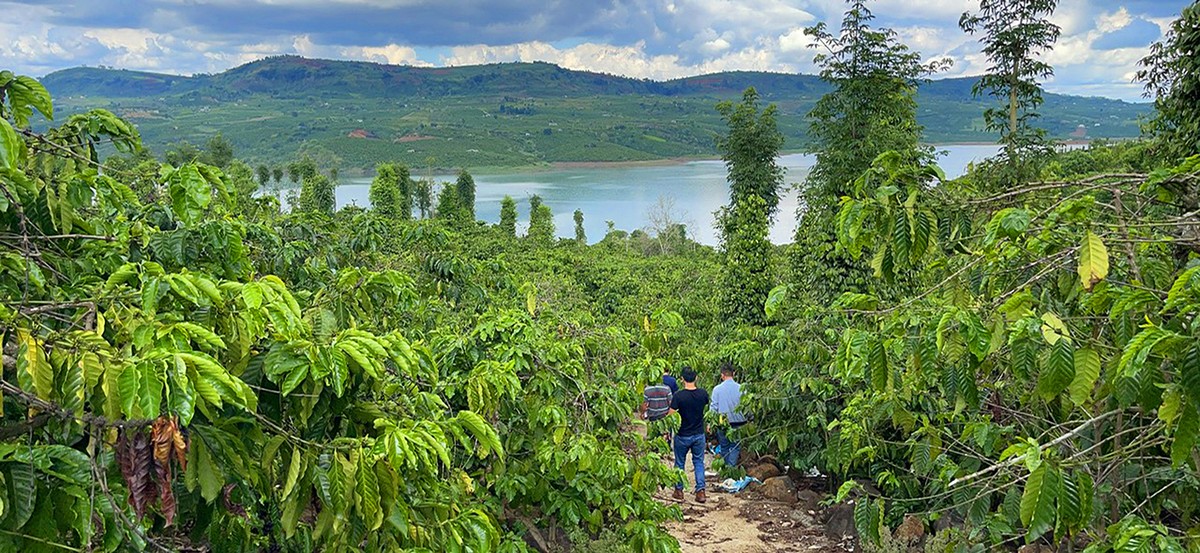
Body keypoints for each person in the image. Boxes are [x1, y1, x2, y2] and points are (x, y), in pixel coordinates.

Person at [668, 367, 709, 503]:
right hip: (698, 433)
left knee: (679, 462)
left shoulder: (678, 396)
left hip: (682, 434)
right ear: (696, 378)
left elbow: (671, 415)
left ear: (682, 379)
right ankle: (700, 491)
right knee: (698, 462)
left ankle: (679, 490)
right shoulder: (703, 394)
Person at [710, 362, 747, 467]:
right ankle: (731, 468)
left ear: (722, 375)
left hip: (723, 422)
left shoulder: (717, 389)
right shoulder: (742, 388)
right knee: (735, 447)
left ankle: (726, 469)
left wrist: (710, 423)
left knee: (724, 446)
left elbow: (714, 408)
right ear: (734, 373)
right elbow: (747, 406)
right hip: (739, 422)